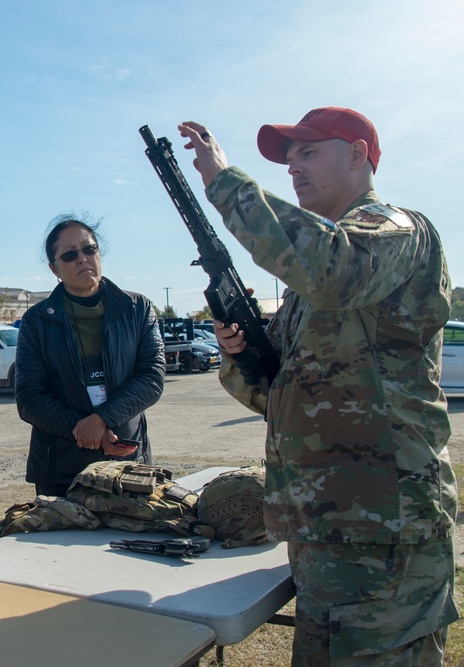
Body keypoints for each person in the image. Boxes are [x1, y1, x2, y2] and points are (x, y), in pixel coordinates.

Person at [179, 108, 458, 664]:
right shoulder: (306, 291)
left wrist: (226, 183)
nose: (292, 169)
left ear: (358, 155)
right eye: (288, 160)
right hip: (328, 529)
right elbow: (278, 396)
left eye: (307, 153)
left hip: (385, 531)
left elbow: (335, 266)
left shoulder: (397, 231)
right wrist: (241, 357)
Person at [14, 216, 165, 497]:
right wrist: (85, 430)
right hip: (62, 470)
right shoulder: (36, 321)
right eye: (70, 255)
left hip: (128, 462)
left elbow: (152, 377)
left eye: (89, 249)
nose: (82, 259)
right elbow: (29, 398)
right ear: (54, 269)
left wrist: (103, 419)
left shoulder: (137, 308)